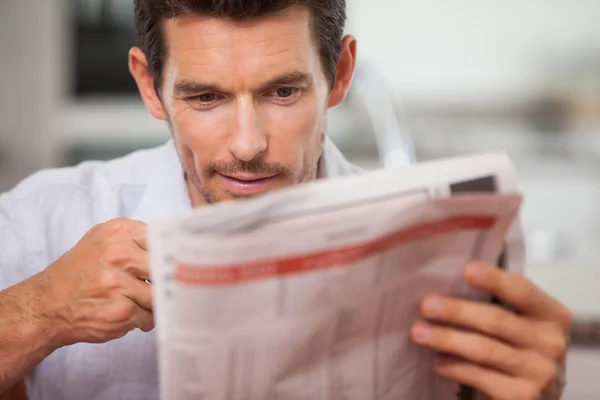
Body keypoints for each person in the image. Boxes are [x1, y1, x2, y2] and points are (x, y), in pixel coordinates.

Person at [0, 1, 572, 399]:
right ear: (151, 86)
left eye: (283, 91)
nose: (248, 145)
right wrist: (43, 309)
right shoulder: (46, 220)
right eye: (205, 97)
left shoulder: (444, 255)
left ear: (340, 74)